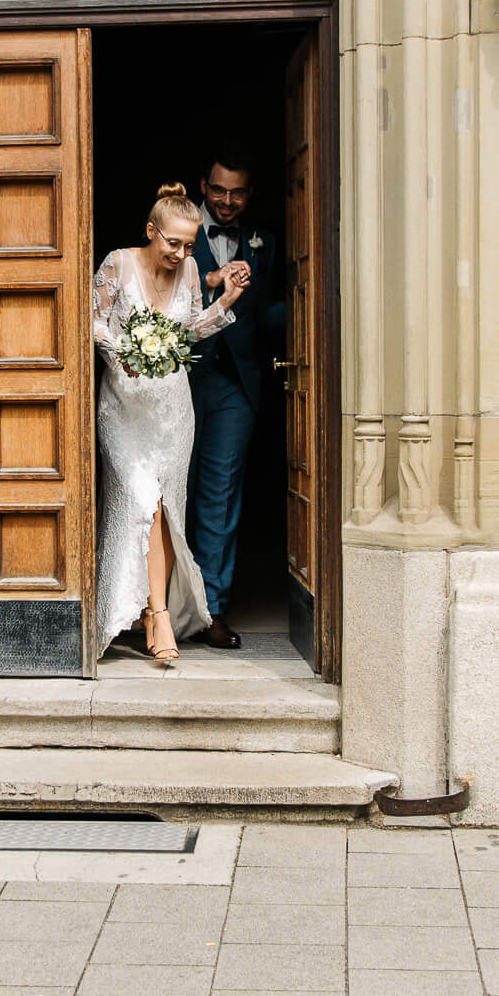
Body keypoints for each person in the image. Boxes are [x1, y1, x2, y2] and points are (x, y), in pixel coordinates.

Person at [92, 184, 250, 664]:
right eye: (173, 244)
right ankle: (154, 615)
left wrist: (225, 303)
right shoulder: (117, 263)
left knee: (163, 510)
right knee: (141, 500)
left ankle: (153, 610)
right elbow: (92, 322)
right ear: (150, 231)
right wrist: (125, 353)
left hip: (173, 411)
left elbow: (186, 332)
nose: (182, 254)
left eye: (188, 245)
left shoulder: (190, 273)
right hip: (124, 407)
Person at [185, 153, 282, 650]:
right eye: (219, 190)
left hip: (235, 385)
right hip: (178, 376)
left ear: (249, 194)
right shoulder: (176, 227)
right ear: (204, 185)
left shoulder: (264, 241)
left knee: (220, 495)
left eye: (237, 193)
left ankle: (212, 609)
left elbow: (269, 312)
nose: (226, 201)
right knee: (167, 489)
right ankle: (158, 609)